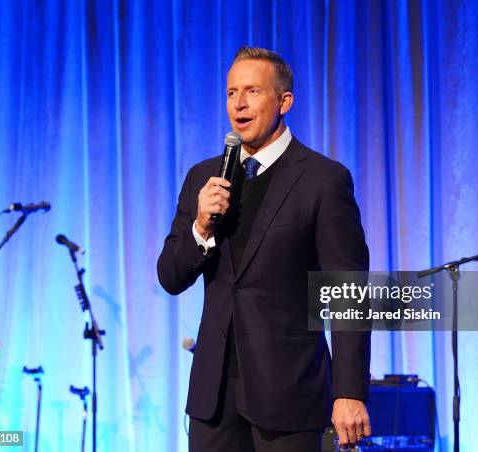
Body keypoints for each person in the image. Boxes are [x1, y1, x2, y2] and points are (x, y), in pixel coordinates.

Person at [157, 46, 371, 452]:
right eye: (231, 92)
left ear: (284, 101)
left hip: (288, 392)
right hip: (213, 397)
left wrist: (350, 391)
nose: (238, 103)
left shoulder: (323, 179)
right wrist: (201, 225)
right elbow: (170, 276)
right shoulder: (204, 177)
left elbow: (349, 292)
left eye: (252, 91)